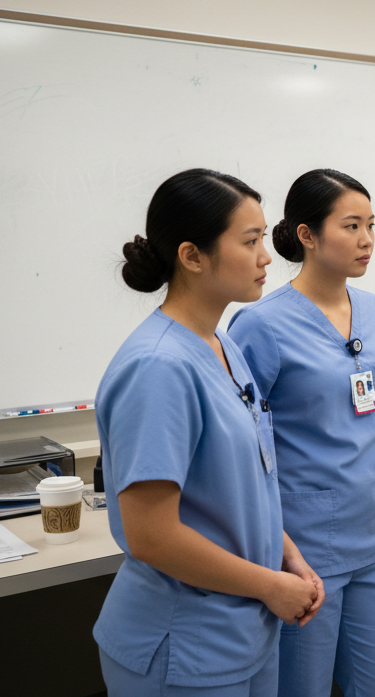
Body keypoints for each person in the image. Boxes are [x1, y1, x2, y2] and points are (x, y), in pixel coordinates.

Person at [95, 169, 323, 695]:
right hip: (184, 643)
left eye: (263, 238)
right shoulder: (158, 367)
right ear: (193, 256)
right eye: (250, 241)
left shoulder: (222, 345)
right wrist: (271, 585)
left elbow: (241, 489)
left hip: (243, 631)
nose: (267, 256)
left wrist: (287, 554)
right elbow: (153, 536)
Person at [229, 169, 375, 697]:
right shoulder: (260, 325)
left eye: (371, 225)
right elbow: (243, 445)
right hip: (305, 548)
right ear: (306, 235)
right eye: (351, 226)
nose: (367, 239)